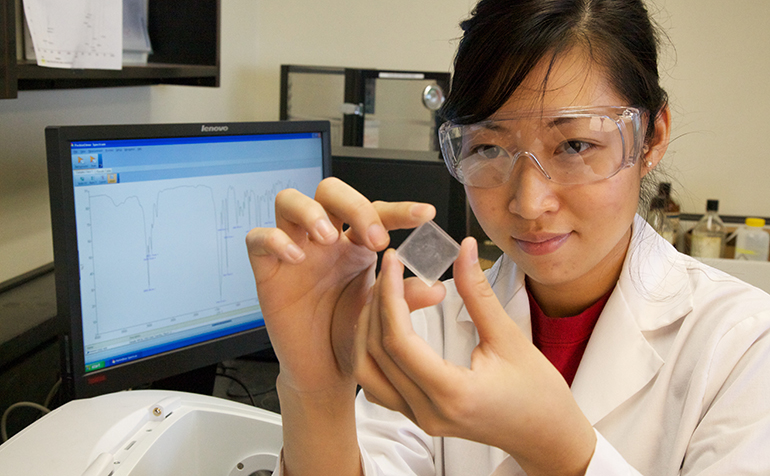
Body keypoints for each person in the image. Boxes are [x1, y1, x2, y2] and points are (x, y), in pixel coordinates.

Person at [245, 0, 770, 474]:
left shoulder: (743, 346)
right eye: (489, 149)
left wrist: (559, 450)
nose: (527, 201)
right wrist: (314, 389)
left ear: (650, 138)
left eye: (576, 145)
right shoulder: (428, 321)